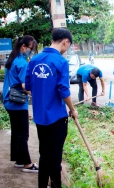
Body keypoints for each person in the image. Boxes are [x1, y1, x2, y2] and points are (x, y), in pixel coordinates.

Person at [25, 28, 78, 188]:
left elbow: (28, 86)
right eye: (68, 45)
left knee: (44, 154)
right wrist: (72, 109)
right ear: (65, 42)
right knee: (55, 158)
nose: (67, 48)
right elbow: (63, 90)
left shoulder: (34, 60)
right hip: (56, 118)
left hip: (40, 117)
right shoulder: (61, 62)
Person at [1, 35, 39, 173]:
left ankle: (19, 160)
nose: (31, 51)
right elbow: (25, 86)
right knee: (23, 134)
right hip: (17, 102)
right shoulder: (22, 63)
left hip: (8, 100)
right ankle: (28, 164)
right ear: (24, 47)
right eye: (31, 48)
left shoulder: (11, 60)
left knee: (16, 132)